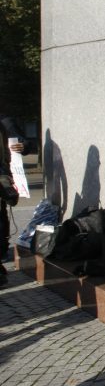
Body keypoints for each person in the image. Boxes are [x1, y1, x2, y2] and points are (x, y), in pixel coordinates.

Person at [0, 114, 32, 286]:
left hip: (1, 179)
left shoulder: (5, 122)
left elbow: (25, 143)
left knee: (1, 219)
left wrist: (24, 146)